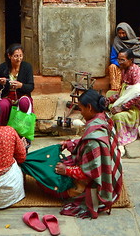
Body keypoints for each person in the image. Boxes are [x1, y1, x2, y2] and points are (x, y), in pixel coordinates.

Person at [41, 89, 123, 219]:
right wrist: (71, 143)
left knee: (45, 182)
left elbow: (90, 172)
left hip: (96, 180)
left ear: (89, 107)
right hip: (108, 169)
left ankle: (78, 191)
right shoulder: (104, 118)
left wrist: (66, 170)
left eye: (81, 109)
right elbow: (88, 144)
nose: (81, 112)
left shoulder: (93, 141)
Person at [106, 48, 140, 151]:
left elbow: (138, 94)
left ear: (131, 60)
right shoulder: (124, 70)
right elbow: (124, 92)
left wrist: (122, 107)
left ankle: (121, 138)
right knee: (109, 100)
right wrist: (109, 99)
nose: (119, 62)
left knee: (118, 116)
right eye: (118, 60)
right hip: (130, 100)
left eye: (122, 60)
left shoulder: (135, 71)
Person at [0, 44, 35, 126]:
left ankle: (23, 133)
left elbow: (31, 87)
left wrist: (21, 85)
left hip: (23, 95)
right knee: (2, 105)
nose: (19, 59)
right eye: (15, 56)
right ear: (9, 56)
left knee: (24, 103)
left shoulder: (27, 67)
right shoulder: (2, 67)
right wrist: (1, 83)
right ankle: (0, 131)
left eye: (21, 56)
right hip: (7, 96)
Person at [109, 22, 140, 91]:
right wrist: (122, 64)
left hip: (134, 65)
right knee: (112, 67)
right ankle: (116, 91)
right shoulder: (116, 42)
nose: (121, 35)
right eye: (119, 33)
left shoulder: (135, 42)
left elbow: (139, 58)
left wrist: (130, 65)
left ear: (128, 32)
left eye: (123, 33)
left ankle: (135, 91)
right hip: (121, 65)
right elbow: (113, 58)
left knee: (137, 70)